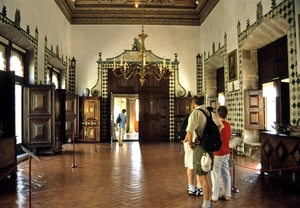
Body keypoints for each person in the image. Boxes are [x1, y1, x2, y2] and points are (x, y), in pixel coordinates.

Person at [186, 95, 223, 208]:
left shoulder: (195, 113)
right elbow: (220, 127)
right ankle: (207, 201)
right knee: (207, 174)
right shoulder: (210, 112)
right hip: (210, 148)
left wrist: (191, 143)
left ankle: (206, 203)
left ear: (193, 103)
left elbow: (189, 132)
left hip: (200, 147)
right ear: (203, 101)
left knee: (203, 176)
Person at [211, 106, 231, 201]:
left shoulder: (217, 125)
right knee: (226, 173)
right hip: (226, 151)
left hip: (218, 152)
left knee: (215, 175)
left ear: (218, 114)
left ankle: (215, 196)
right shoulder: (228, 124)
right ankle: (227, 194)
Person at [181, 110, 203, 196]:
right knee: (192, 164)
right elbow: (188, 133)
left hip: (193, 143)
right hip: (192, 143)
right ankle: (192, 187)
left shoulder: (194, 115)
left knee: (195, 164)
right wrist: (189, 142)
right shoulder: (194, 116)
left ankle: (196, 186)